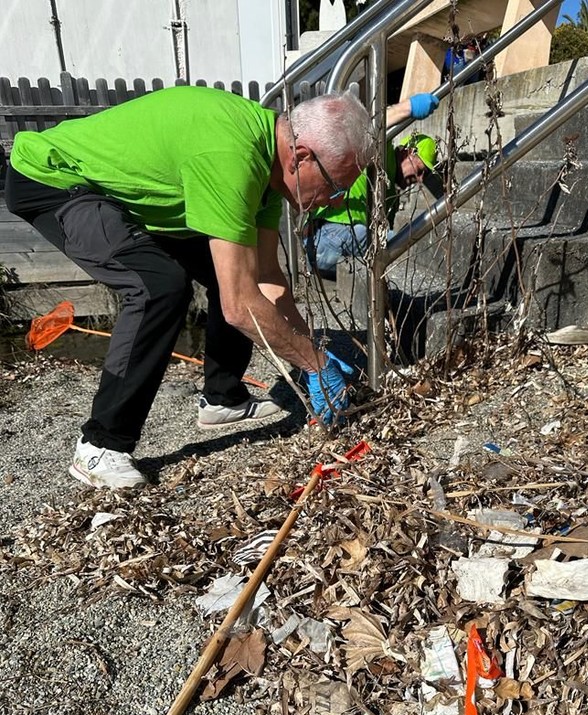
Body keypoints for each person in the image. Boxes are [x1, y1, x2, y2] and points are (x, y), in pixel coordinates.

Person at [5, 86, 374, 489]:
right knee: (158, 287)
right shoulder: (231, 157)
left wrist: (310, 353)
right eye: (335, 187)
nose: (334, 203)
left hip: (127, 193)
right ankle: (100, 446)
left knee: (232, 270)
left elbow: (267, 281)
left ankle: (222, 398)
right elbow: (239, 305)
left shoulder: (270, 170)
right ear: (301, 157)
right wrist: (315, 365)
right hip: (53, 177)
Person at [305, 93, 440, 279]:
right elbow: (371, 124)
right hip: (327, 235)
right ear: (408, 152)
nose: (419, 178)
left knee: (394, 243)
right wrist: (408, 108)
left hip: (329, 246)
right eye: (419, 169)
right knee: (406, 243)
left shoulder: (391, 191)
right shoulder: (383, 154)